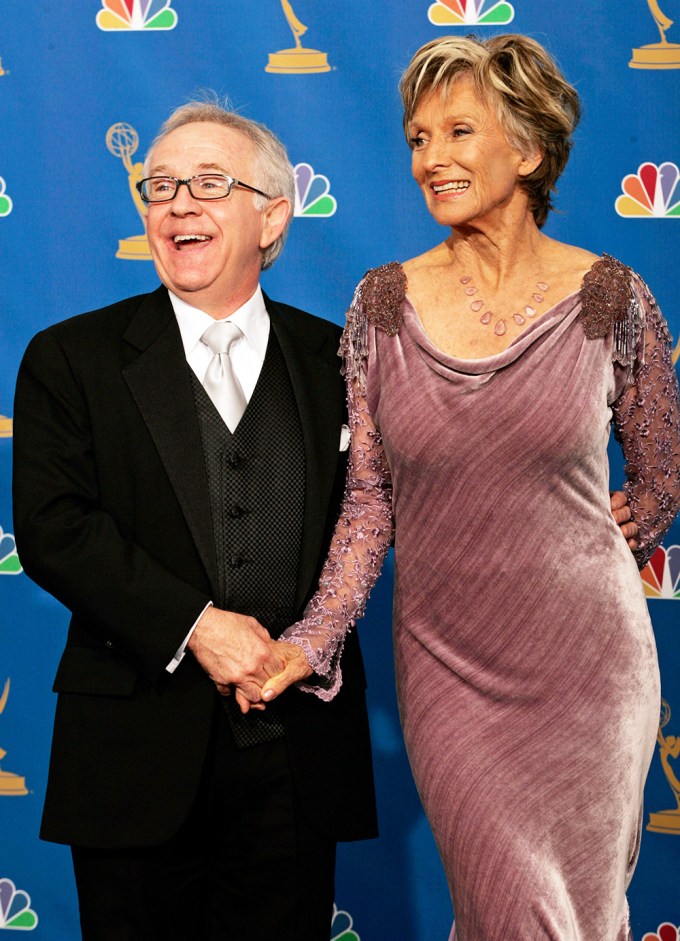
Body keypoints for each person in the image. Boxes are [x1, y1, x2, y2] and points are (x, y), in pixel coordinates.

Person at [258, 35, 680, 941]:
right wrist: (313, 637)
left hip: (588, 675)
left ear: (527, 150)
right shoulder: (382, 306)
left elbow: (658, 481)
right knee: (508, 907)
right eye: (417, 138)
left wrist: (582, 541)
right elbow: (372, 502)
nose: (430, 159)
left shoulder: (612, 297)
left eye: (457, 132)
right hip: (449, 672)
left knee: (582, 916)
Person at [12, 100, 378, 941]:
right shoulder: (71, 357)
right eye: (161, 186)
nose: (178, 204)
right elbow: (55, 527)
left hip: (296, 756)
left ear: (273, 214)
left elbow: (382, 512)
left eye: (209, 184)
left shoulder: (343, 360)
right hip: (133, 756)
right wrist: (196, 626)